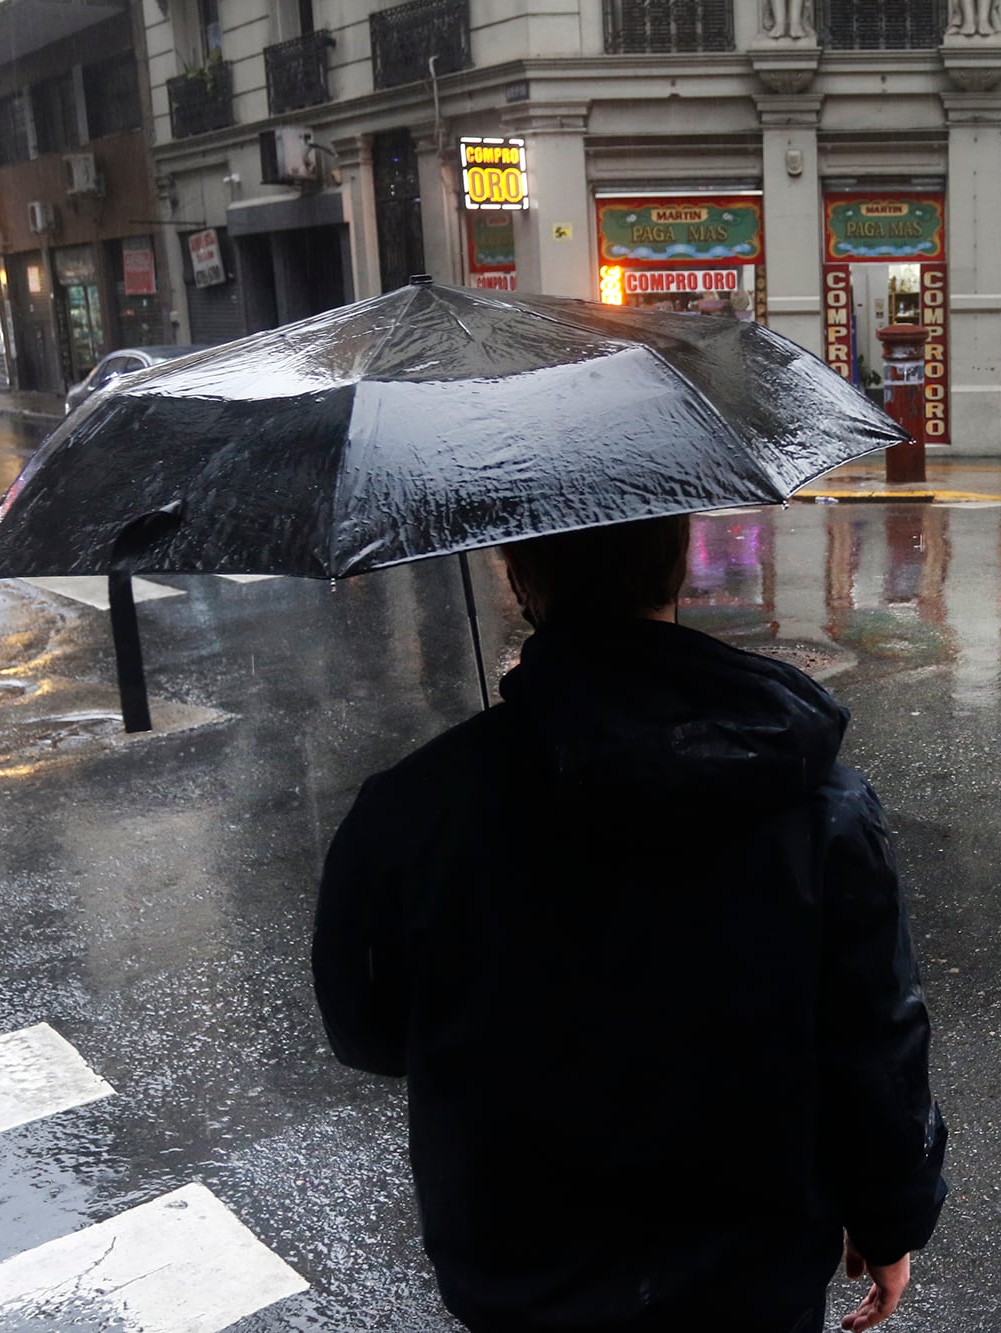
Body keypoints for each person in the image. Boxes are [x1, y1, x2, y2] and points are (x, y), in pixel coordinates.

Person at [313, 514, 948, 1333]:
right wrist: (892, 1217)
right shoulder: (817, 800)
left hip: (521, 1256)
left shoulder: (414, 807)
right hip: (751, 1257)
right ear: (677, 562)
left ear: (519, 573)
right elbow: (872, 1038)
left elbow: (369, 1033)